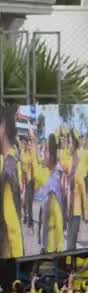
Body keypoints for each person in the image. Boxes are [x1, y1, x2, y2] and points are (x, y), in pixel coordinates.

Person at [0, 105, 24, 258]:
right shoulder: (12, 161)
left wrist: (17, 261)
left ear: (2, 126)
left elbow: (12, 226)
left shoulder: (8, 168)